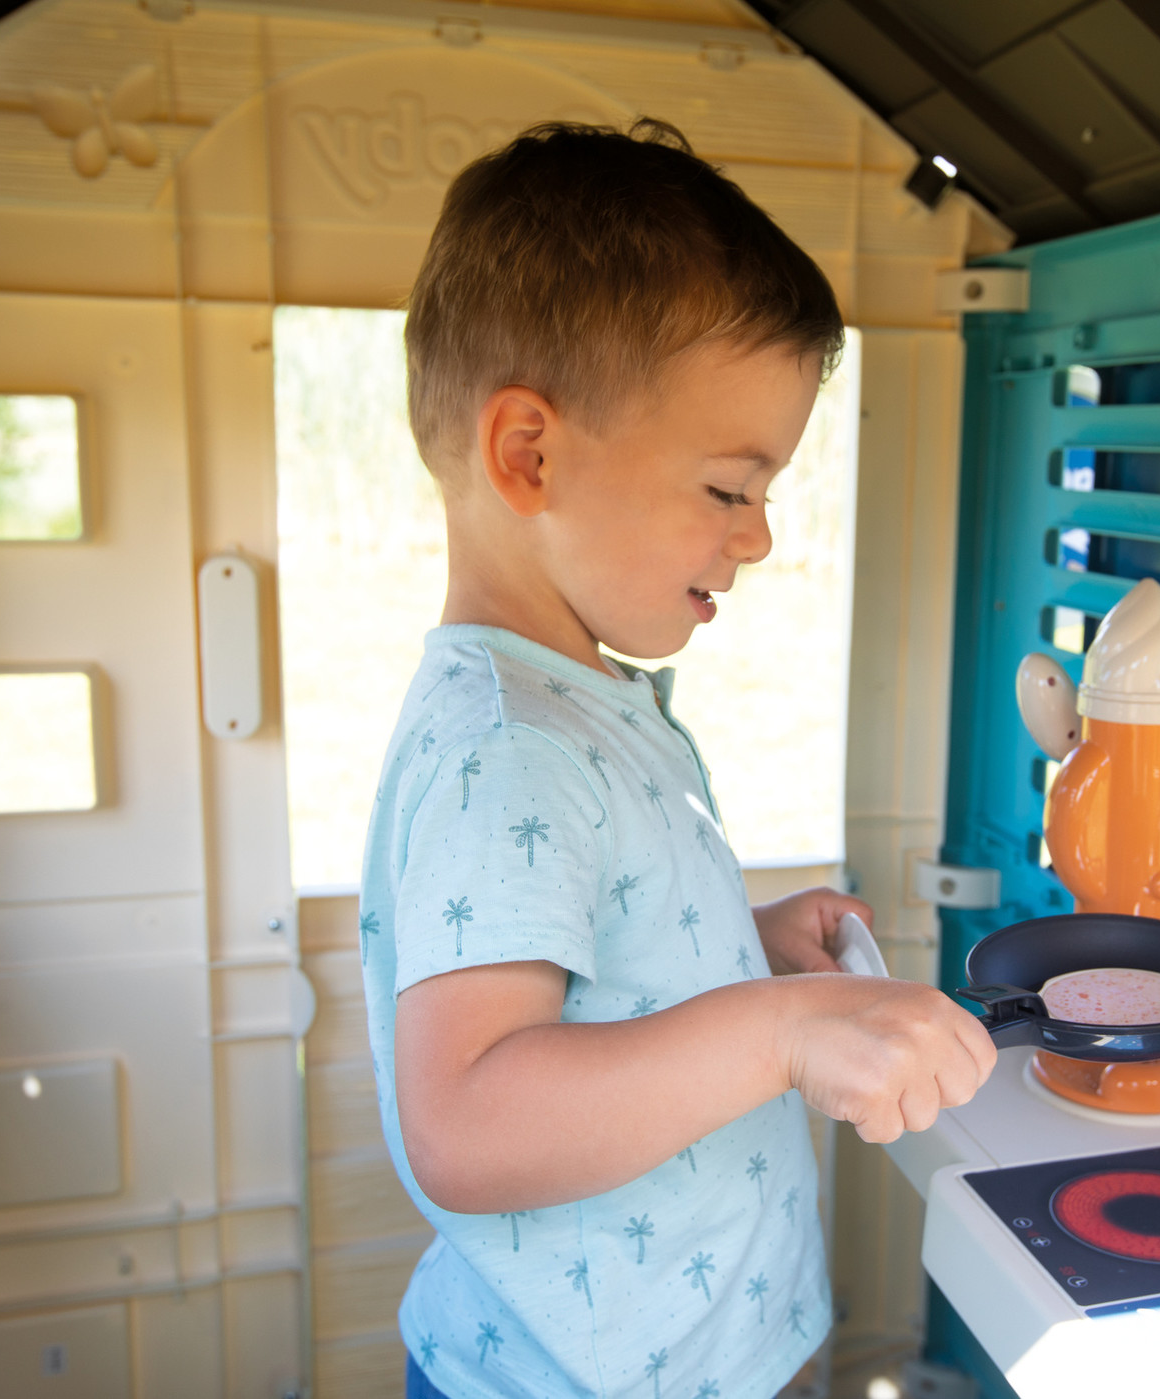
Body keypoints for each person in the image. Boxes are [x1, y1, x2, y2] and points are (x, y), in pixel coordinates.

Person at [359, 118, 998, 1399]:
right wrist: (782, 1028)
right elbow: (468, 1122)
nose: (757, 537)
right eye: (726, 488)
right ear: (529, 455)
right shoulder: (509, 748)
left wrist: (745, 945)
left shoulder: (588, 698)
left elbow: (591, 965)